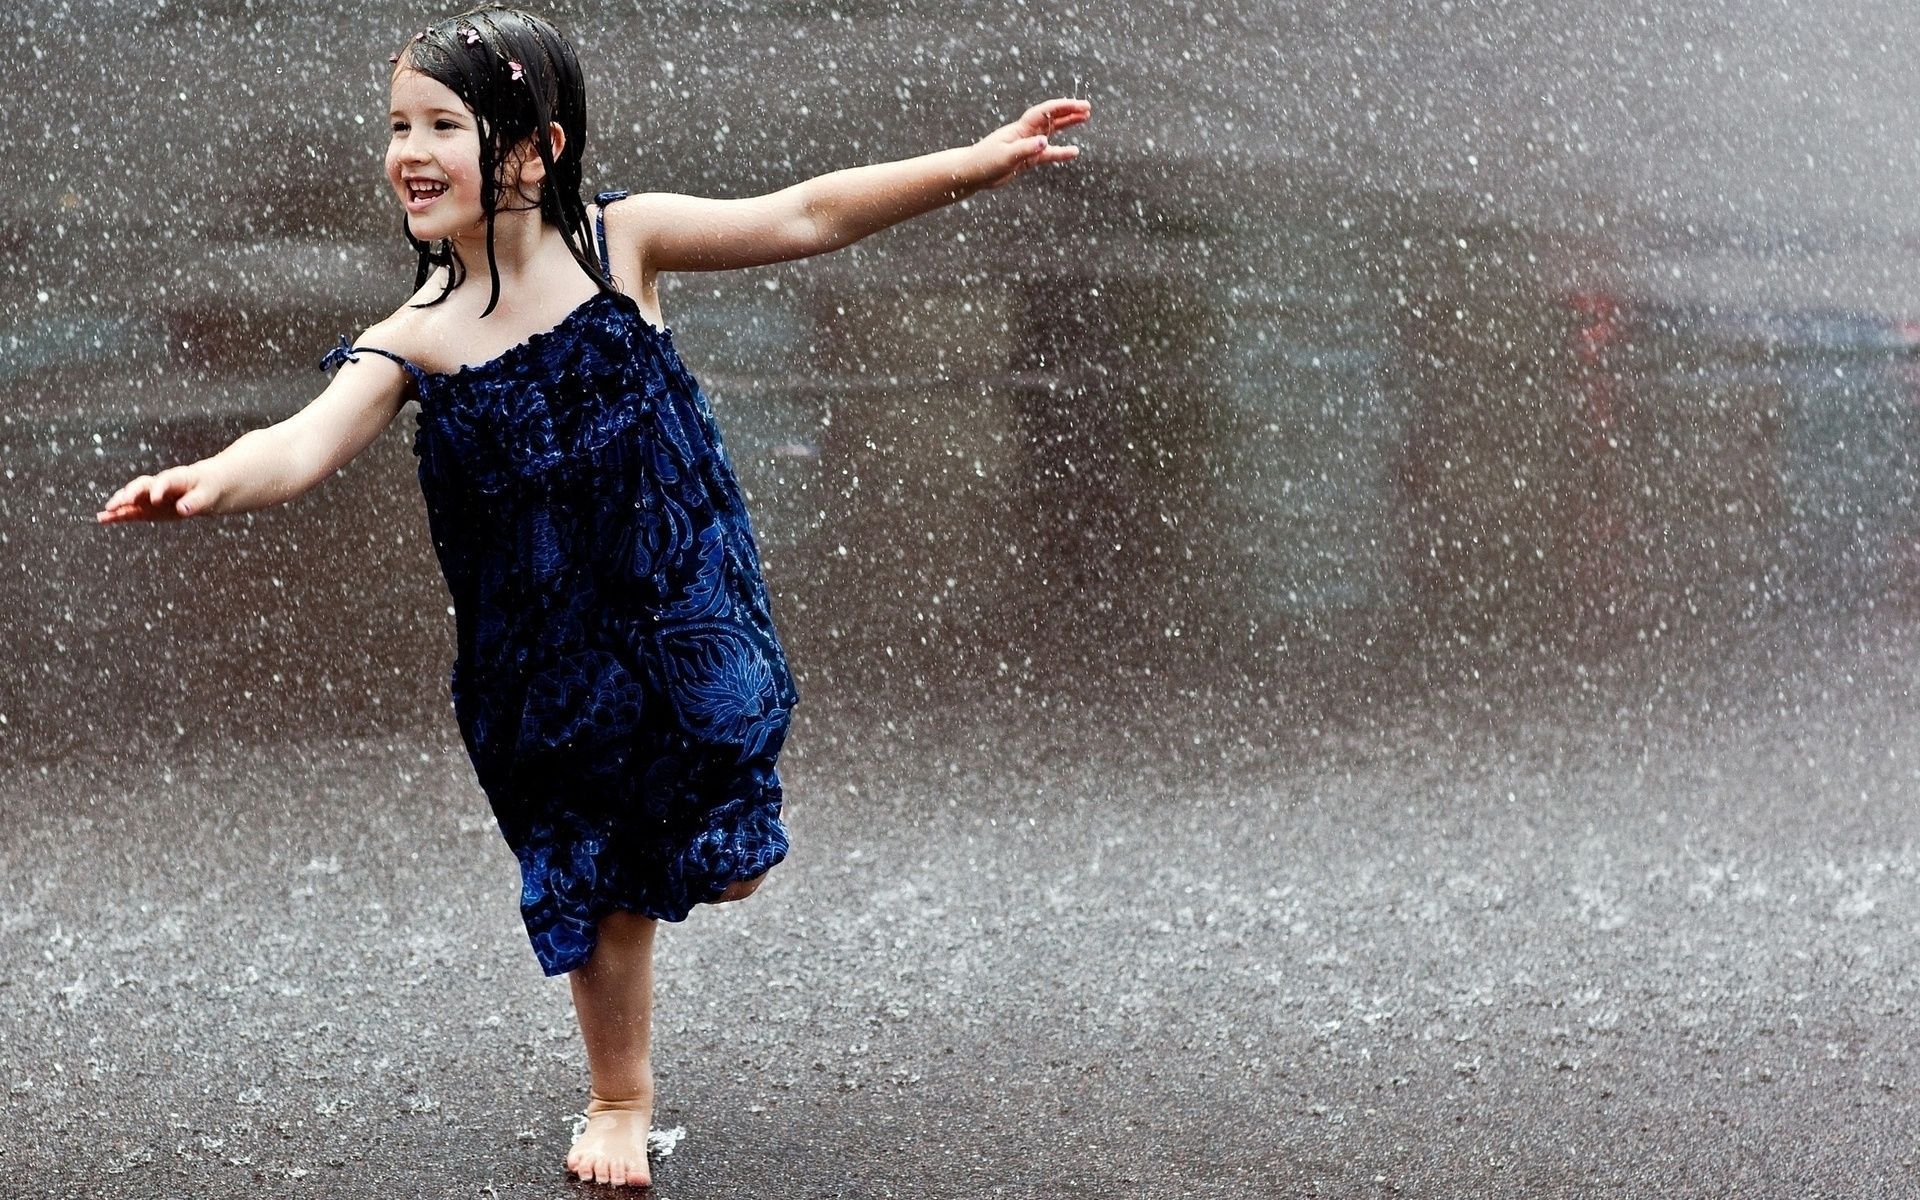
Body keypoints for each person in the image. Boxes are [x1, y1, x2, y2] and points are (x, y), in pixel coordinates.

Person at [94, 3, 1088, 1189]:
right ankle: (618, 1096)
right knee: (597, 871)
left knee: (728, 836)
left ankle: (700, 849)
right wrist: (212, 477)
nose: (408, 152)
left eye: (442, 126)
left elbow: (807, 211)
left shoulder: (623, 246)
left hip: (685, 606)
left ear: (536, 149)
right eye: (397, 125)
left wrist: (973, 166)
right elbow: (301, 444)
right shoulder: (415, 338)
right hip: (543, 655)